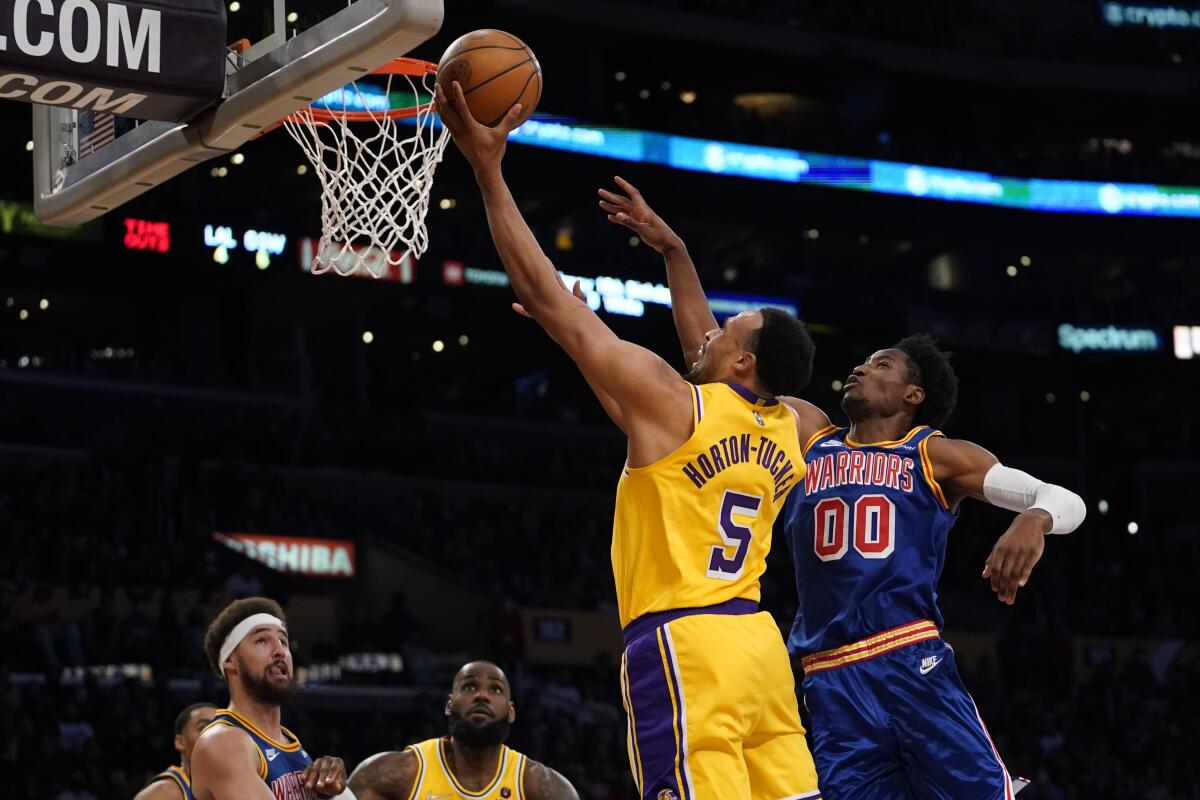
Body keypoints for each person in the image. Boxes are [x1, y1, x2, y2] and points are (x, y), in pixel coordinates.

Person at [601, 177, 1087, 800]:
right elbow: (713, 356)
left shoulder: (934, 454)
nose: (860, 366)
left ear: (914, 395)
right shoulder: (807, 434)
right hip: (824, 677)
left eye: (881, 364)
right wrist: (675, 253)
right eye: (863, 361)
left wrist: (1033, 520)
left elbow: (1061, 498)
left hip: (905, 657)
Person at [436, 82, 822, 800]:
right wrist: (673, 250)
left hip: (685, 643)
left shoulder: (672, 401)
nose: (710, 328)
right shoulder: (788, 422)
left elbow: (544, 292)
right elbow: (703, 350)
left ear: (742, 363)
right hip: (761, 648)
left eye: (728, 329)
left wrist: (488, 170)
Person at [190, 597, 350, 800]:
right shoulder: (223, 742)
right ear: (230, 660)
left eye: (284, 641)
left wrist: (335, 792)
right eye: (262, 641)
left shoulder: (288, 741)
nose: (280, 651)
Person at [348, 661, 578, 799]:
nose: (482, 695)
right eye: (469, 687)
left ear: (511, 712)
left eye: (495, 690)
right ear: (449, 704)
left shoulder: (543, 787)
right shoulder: (392, 774)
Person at [133, 702, 217, 800]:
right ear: (180, 742)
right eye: (204, 727)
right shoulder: (164, 793)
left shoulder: (229, 788)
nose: (215, 734)